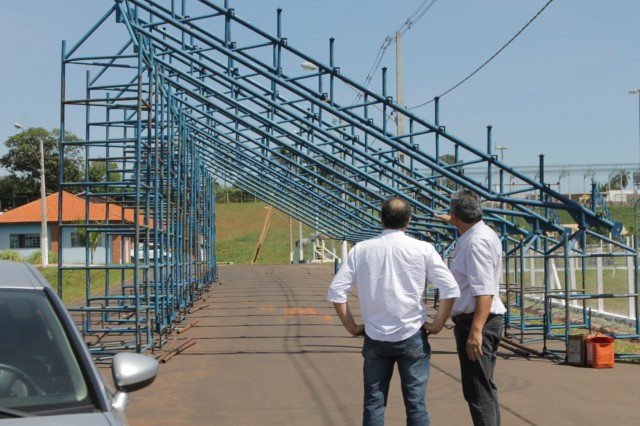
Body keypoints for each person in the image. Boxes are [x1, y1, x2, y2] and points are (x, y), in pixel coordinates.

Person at [327, 197, 460, 426]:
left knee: (374, 402)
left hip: (376, 336)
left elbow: (337, 291)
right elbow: (450, 287)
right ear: (408, 220)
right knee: (416, 403)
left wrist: (351, 326)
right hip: (412, 336)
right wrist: (437, 324)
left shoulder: (362, 250)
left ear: (381, 219)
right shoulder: (422, 249)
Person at [435, 189, 506, 426]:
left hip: (477, 322)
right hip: (483, 321)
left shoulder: (475, 243)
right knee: (484, 387)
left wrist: (476, 331)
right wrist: (452, 218)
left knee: (477, 392)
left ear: (455, 214)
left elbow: (484, 290)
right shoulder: (482, 233)